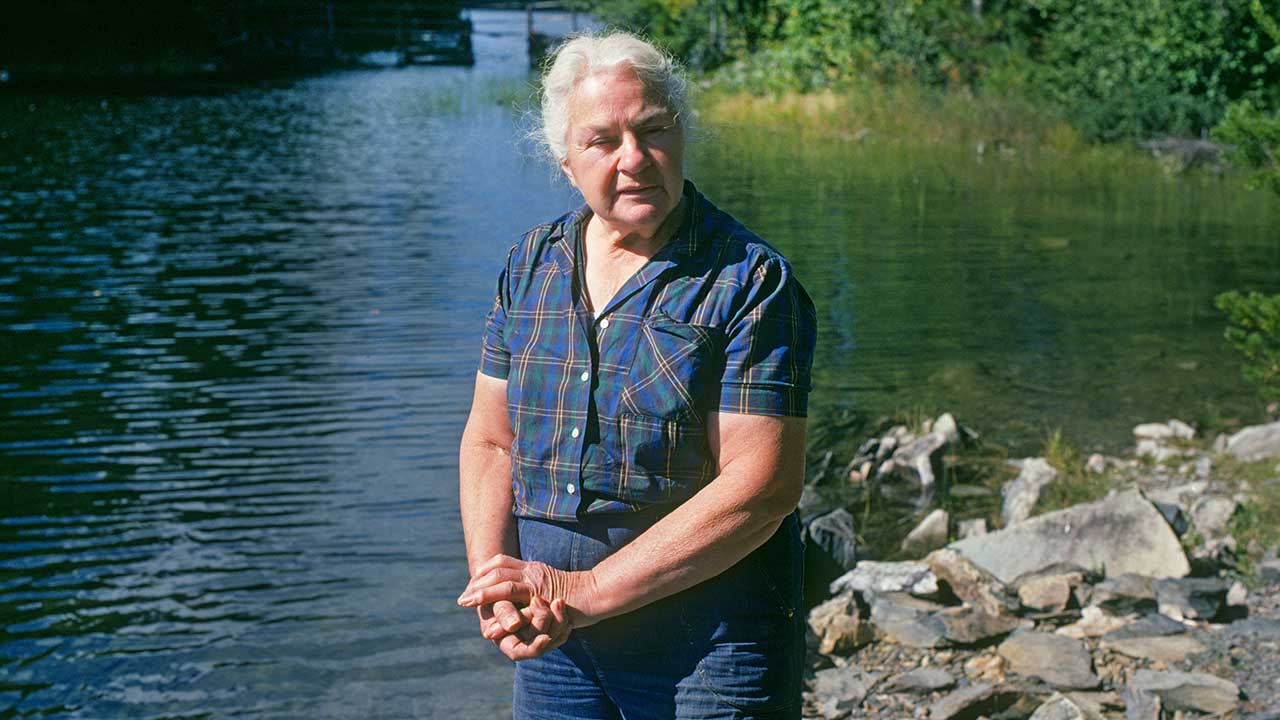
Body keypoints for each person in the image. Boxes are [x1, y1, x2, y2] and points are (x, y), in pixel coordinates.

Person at [456, 31, 817, 719]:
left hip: (709, 644)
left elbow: (763, 487)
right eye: (603, 141)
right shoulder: (529, 267)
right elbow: (491, 440)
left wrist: (586, 589)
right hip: (554, 641)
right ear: (564, 160)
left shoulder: (751, 282)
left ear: (681, 133)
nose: (635, 160)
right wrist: (493, 578)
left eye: (653, 130)